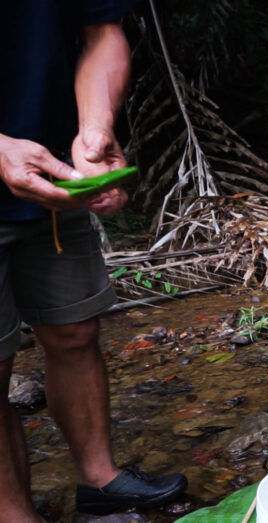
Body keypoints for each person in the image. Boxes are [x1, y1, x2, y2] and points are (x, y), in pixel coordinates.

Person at [0, 2, 187, 518]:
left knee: (76, 332)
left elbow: (103, 34)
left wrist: (95, 132)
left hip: (58, 176)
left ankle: (98, 481)